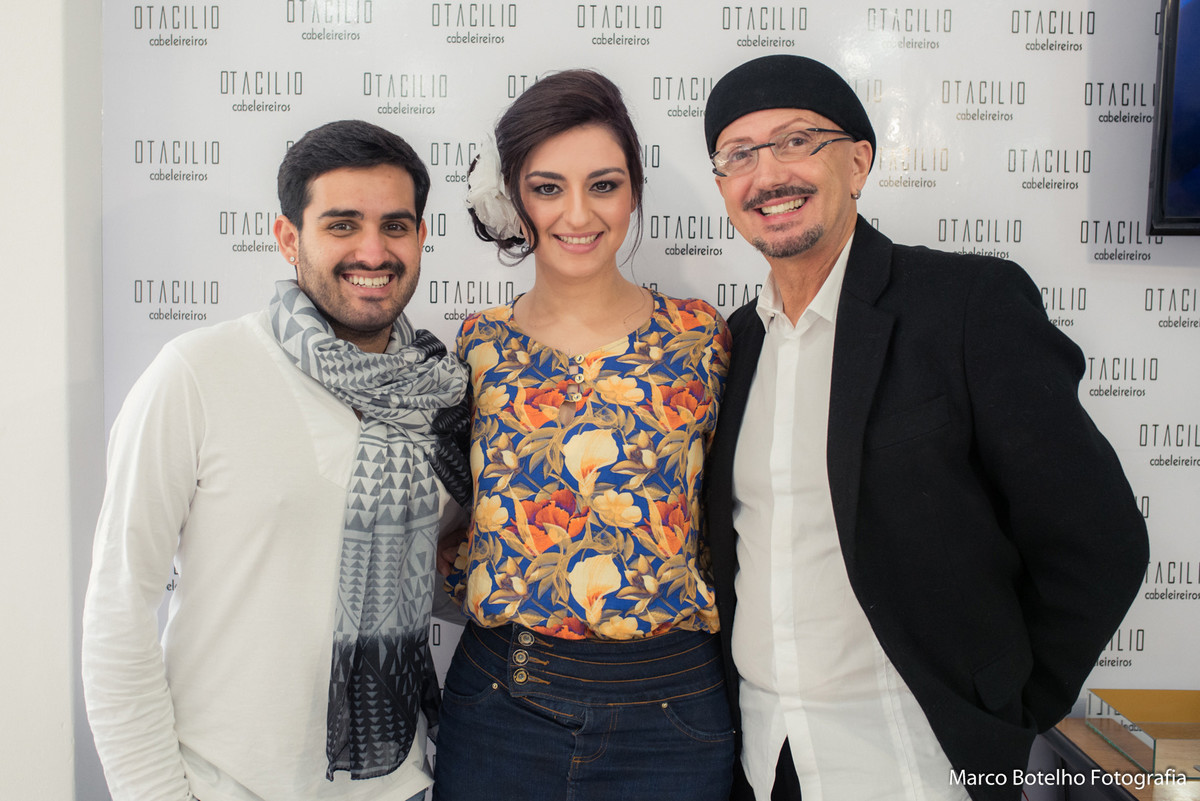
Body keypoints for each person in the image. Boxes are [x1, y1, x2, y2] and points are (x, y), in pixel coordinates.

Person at [700, 55, 1149, 801]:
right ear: (722, 187)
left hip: (921, 761)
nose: (767, 174)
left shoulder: (966, 304)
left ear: (859, 161)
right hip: (766, 756)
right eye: (738, 155)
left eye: (796, 141)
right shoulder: (732, 345)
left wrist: (1010, 708)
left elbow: (1098, 540)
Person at [82, 119, 472, 801]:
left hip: (404, 782)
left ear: (420, 237)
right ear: (289, 238)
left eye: (396, 225)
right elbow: (118, 611)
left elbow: (424, 577)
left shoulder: (441, 393)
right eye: (343, 225)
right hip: (227, 785)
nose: (373, 250)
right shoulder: (198, 374)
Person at [432, 70, 734, 801]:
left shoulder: (704, 338)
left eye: (603, 184)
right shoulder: (477, 347)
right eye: (547, 187)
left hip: (671, 711)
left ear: (633, 191)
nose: (578, 213)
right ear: (511, 195)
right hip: (499, 700)